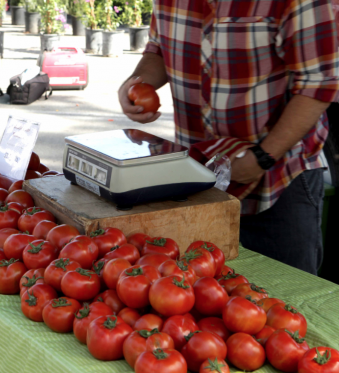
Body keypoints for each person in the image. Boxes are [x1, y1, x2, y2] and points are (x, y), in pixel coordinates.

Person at [118, 0, 339, 275]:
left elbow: (318, 85)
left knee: (291, 298)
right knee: (204, 295)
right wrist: (138, 85)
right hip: (200, 175)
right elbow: (158, 51)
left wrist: (262, 157)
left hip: (279, 178)